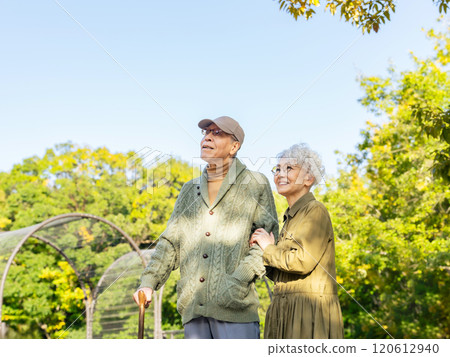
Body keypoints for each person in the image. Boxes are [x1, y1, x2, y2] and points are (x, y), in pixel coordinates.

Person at [133, 116, 278, 339]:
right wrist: (148, 282)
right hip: (194, 311)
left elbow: (267, 239)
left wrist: (237, 281)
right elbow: (170, 244)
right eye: (206, 133)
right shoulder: (189, 190)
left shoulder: (255, 183)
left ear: (234, 146)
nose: (208, 137)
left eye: (218, 133)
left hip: (236, 309)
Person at [250, 143, 344, 339]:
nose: (280, 174)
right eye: (277, 169)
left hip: (308, 314)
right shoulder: (290, 218)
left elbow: (302, 261)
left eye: (289, 168)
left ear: (309, 178)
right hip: (283, 312)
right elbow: (282, 273)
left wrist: (268, 248)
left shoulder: (315, 210)